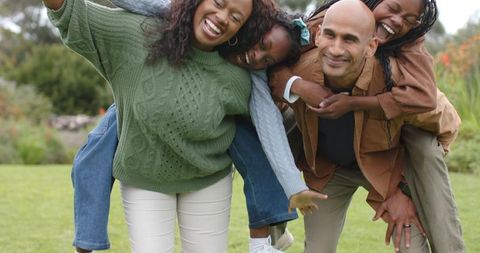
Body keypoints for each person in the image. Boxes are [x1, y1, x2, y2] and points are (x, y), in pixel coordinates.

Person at [43, 0, 324, 252]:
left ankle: (268, 236)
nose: (223, 17)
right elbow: (69, 11)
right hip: (144, 180)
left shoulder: (242, 71)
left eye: (236, 17)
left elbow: (269, 124)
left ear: (243, 29)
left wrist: (293, 186)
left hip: (207, 181)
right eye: (218, 2)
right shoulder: (136, 34)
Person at [267, 0, 465, 252]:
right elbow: (273, 64)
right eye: (392, 9)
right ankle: (272, 231)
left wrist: (353, 103)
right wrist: (301, 87)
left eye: (408, 19)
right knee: (277, 134)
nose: (396, 21)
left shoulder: (403, 62)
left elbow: (424, 100)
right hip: (329, 165)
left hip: (385, 158)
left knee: (424, 146)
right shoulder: (330, 24)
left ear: (371, 46)